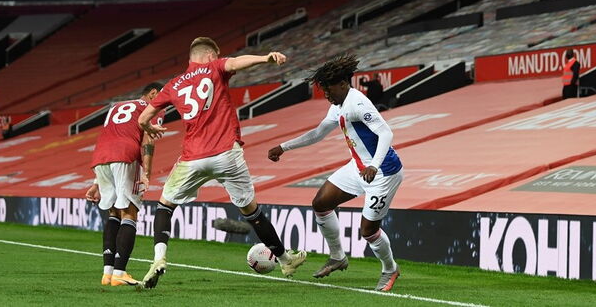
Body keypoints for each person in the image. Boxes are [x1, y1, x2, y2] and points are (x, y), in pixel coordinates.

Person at [137, 37, 307, 289]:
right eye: (217, 55)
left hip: (192, 158)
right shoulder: (215, 67)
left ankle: (159, 259)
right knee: (252, 212)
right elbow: (237, 63)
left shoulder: (173, 84)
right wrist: (265, 58)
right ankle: (285, 260)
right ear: (209, 55)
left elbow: (143, 119)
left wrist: (149, 127)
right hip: (226, 152)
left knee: (165, 206)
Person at [268, 54, 403, 292]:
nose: (326, 95)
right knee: (321, 203)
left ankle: (390, 269)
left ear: (342, 84)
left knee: (368, 231)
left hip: (383, 173)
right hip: (360, 167)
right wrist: (284, 147)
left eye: (328, 89)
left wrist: (374, 165)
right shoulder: (338, 105)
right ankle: (337, 256)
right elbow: (318, 134)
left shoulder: (357, 103)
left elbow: (386, 133)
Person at [84, 82, 163, 288]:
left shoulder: (116, 107)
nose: (164, 104)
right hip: (126, 155)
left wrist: (95, 182)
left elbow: (110, 135)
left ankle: (107, 273)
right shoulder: (150, 108)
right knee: (130, 212)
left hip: (101, 157)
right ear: (153, 94)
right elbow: (147, 140)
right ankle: (120, 272)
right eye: (163, 98)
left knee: (113, 213)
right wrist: (146, 173)